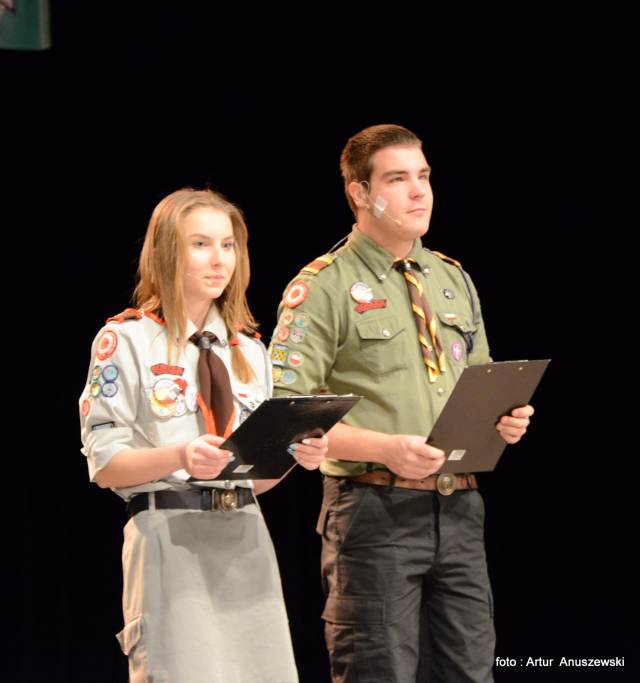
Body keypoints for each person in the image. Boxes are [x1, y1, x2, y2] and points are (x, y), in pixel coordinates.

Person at [270, 124, 534, 683]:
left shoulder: (452, 278)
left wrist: (504, 420)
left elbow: (480, 383)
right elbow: (287, 414)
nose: (419, 192)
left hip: (459, 508)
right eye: (397, 179)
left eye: (424, 176)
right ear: (360, 193)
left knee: (470, 673)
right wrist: (385, 447)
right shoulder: (323, 286)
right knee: (379, 672)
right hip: (373, 511)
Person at [79, 188, 328, 683]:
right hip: (169, 536)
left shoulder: (248, 350)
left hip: (246, 536)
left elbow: (254, 480)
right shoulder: (126, 340)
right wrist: (180, 455)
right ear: (167, 252)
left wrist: (293, 455)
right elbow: (105, 465)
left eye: (228, 245)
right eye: (201, 244)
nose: (219, 260)